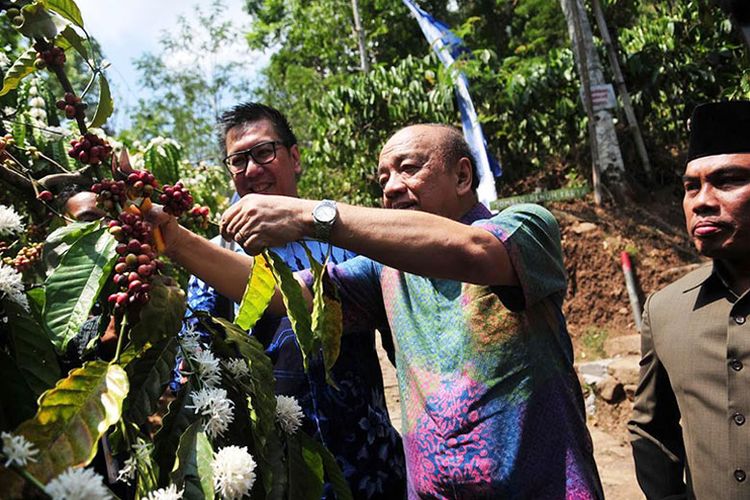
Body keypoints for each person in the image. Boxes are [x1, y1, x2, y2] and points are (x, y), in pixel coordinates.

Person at [156, 123, 603, 498]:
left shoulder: (524, 225)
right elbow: (284, 295)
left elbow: (473, 252)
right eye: (383, 177)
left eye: (408, 168)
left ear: (463, 176)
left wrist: (313, 216)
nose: (390, 186)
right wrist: (173, 239)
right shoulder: (384, 269)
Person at [178, 102, 406, 499]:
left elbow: (402, 331)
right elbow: (194, 362)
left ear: (295, 157)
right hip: (280, 473)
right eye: (238, 160)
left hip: (371, 461)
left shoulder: (344, 240)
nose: (251, 170)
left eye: (264, 153)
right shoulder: (215, 259)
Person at [629, 100, 750, 499]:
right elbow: (651, 429)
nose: (701, 201)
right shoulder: (665, 309)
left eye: (728, 180)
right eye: (691, 187)